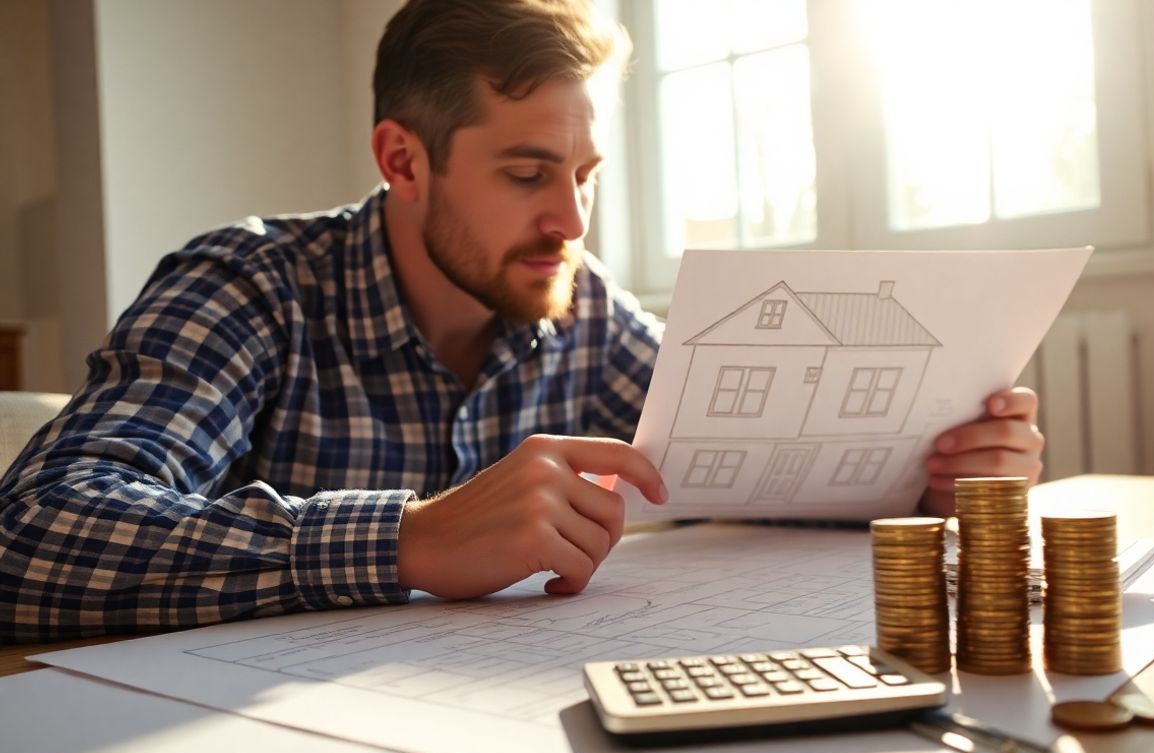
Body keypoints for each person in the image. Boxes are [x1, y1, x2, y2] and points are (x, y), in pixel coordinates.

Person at [0, 0, 1044, 643]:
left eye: (584, 174)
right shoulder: (250, 286)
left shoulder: (578, 306)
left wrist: (933, 472)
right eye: (528, 171)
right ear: (404, 160)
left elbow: (755, 463)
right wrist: (406, 540)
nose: (571, 220)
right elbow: (28, 536)